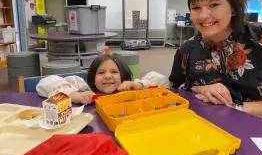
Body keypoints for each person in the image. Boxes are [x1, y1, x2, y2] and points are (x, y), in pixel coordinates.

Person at [36, 54, 168, 105]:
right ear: (93, 78)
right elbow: (45, 83)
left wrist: (139, 84)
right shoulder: (84, 88)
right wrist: (73, 95)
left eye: (114, 72)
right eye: (101, 72)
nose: (107, 76)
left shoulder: (130, 88)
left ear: (123, 77)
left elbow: (162, 80)